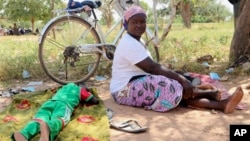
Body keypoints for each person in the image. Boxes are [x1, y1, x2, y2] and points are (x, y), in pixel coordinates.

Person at [109, 5, 243, 114]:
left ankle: (222, 105)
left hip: (136, 82)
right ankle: (204, 93)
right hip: (123, 91)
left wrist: (179, 76)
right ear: (126, 25)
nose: (139, 25)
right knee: (168, 84)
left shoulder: (138, 40)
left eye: (142, 21)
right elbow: (152, 68)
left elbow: (153, 68)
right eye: (134, 22)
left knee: (171, 87)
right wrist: (183, 80)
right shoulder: (128, 43)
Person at [12, 83, 99, 141]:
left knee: (39, 118)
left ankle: (24, 133)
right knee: (59, 119)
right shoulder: (80, 90)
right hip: (63, 105)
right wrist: (88, 93)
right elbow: (94, 100)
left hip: (50, 102)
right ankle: (48, 128)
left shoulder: (63, 88)